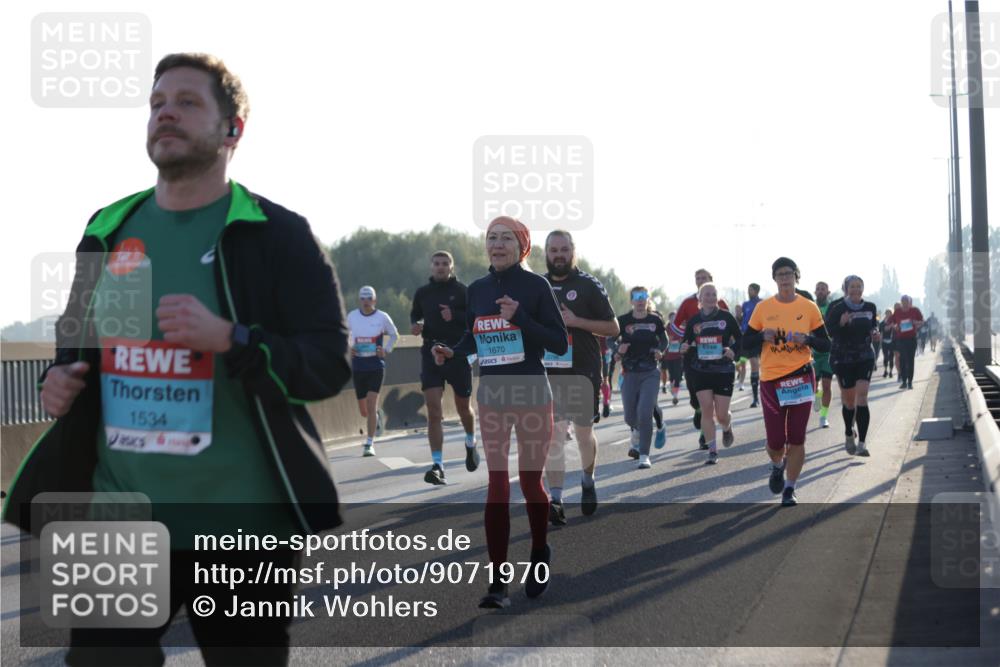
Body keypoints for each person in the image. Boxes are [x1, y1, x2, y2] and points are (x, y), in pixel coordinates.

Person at [1, 53, 352, 666]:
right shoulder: (108, 226)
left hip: (244, 528)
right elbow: (76, 332)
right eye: (157, 101)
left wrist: (233, 340)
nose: (166, 111)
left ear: (232, 129)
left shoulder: (275, 233)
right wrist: (57, 376)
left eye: (188, 102)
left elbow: (328, 363)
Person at [432, 216, 567, 609]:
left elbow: (559, 342)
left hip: (530, 390)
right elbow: (473, 336)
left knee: (529, 484)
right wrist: (452, 351)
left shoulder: (536, 286)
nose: (497, 244)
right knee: (496, 485)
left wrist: (521, 318)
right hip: (491, 392)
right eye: (491, 238)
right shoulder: (477, 289)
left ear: (522, 245)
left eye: (506, 238)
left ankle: (539, 552)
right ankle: (497, 582)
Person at [542, 231, 620, 525]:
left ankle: (588, 479)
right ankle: (557, 499)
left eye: (564, 249)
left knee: (584, 433)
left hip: (583, 369)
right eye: (553, 250)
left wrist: (576, 322)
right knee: (555, 436)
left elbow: (613, 328)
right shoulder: (538, 285)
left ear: (573, 251)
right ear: (546, 252)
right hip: (550, 371)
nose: (558, 255)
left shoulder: (588, 285)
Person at [744, 257, 831, 507]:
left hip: (801, 376)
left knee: (797, 438)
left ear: (796, 276)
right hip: (771, 380)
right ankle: (776, 464)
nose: (784, 278)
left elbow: (826, 343)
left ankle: (790, 488)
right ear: (774, 278)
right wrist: (761, 335)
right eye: (780, 274)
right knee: (775, 442)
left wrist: (809, 340)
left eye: (788, 273)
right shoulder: (763, 308)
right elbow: (744, 343)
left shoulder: (809, 307)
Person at [410, 251, 478, 485]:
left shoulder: (462, 291)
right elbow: (415, 317)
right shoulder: (422, 293)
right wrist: (416, 326)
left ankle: (470, 440)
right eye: (436, 264)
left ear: (451, 266)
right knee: (434, 411)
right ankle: (438, 465)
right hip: (431, 353)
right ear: (431, 267)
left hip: (457, 353)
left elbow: (474, 321)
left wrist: (455, 315)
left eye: (444, 263)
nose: (440, 267)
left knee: (463, 408)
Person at [679, 283, 742, 464]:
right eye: (706, 294)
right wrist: (684, 347)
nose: (710, 298)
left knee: (721, 415)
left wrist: (733, 351)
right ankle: (712, 450)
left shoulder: (726, 317)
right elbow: (686, 344)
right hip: (701, 370)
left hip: (723, 370)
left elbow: (740, 339)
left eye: (713, 294)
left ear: (718, 297)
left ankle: (727, 426)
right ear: (700, 298)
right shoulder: (694, 321)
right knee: (707, 409)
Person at [674, 269, 730, 448]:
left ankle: (704, 435)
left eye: (704, 278)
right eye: (697, 278)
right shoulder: (688, 302)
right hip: (693, 356)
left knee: (710, 402)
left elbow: (730, 328)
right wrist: (689, 340)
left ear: (711, 280)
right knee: (694, 394)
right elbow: (674, 327)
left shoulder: (719, 301)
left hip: (716, 357)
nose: (700, 280)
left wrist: (729, 348)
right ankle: (699, 411)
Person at [825, 276, 880, 457]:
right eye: (852, 286)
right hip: (843, 358)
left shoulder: (870, 307)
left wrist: (875, 332)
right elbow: (829, 331)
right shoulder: (837, 307)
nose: (856, 289)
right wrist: (841, 323)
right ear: (846, 288)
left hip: (865, 356)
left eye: (859, 286)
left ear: (863, 288)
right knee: (849, 401)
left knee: (862, 398)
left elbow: (873, 325)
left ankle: (862, 443)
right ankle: (849, 432)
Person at [615, 287, 669, 468]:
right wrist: (618, 349)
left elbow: (664, 340)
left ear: (647, 299)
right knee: (630, 417)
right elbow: (610, 338)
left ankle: (644, 454)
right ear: (631, 301)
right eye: (636, 297)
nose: (640, 300)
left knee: (645, 412)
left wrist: (660, 350)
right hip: (629, 371)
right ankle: (638, 432)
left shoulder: (655, 320)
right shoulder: (623, 321)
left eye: (643, 296)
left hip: (650, 371)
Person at [348, 286, 399, 456]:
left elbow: (394, 334)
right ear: (359, 300)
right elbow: (344, 335)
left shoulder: (382, 317)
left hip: (376, 365)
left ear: (374, 300)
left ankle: (369, 444)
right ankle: (376, 415)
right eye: (363, 298)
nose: (366, 301)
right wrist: (349, 348)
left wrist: (386, 350)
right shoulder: (352, 317)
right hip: (358, 365)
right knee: (365, 411)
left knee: (371, 404)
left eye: (369, 298)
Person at [811, 281, 835, 428]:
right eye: (818, 289)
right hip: (812, 352)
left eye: (823, 289)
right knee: (814, 386)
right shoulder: (810, 307)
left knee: (827, 385)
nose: (820, 291)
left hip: (828, 352)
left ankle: (823, 417)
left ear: (828, 292)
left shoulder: (832, 308)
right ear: (815, 292)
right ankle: (817, 396)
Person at [889, 295, 924, 390]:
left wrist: (916, 323)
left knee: (910, 360)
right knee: (903, 360)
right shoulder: (897, 312)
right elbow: (891, 322)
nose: (905, 303)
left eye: (906, 301)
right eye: (903, 301)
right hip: (901, 339)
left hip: (912, 339)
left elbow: (922, 321)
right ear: (901, 302)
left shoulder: (915, 310)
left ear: (910, 302)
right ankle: (904, 381)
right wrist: (895, 326)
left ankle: (910, 382)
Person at [740, 283, 763, 407]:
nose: (749, 292)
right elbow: (743, 319)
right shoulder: (745, 305)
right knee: (754, 364)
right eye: (748, 290)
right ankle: (755, 398)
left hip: (762, 336)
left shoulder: (762, 303)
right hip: (750, 338)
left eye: (751, 290)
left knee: (765, 365)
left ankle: (766, 392)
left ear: (757, 291)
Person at [663, 310, 684, 406]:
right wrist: (668, 342)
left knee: (678, 376)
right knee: (671, 375)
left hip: (678, 355)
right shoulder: (666, 329)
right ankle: (672, 385)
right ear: (669, 319)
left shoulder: (681, 329)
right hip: (668, 356)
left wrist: (680, 342)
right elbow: (662, 340)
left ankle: (675, 396)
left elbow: (685, 339)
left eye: (675, 318)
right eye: (672, 318)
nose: (674, 319)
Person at [732, 303, 747, 391]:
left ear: (742, 310)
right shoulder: (733, 319)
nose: (738, 311)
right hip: (736, 346)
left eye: (739, 309)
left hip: (744, 347)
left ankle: (741, 383)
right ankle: (740, 373)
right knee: (736, 366)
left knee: (743, 364)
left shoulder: (745, 319)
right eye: (736, 310)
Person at [880, 308, 895, 378]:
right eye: (887, 313)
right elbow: (882, 333)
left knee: (891, 357)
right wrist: (880, 342)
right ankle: (885, 370)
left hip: (892, 341)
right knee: (885, 357)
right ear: (885, 314)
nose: (888, 315)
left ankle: (891, 371)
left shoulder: (894, 322)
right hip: (884, 341)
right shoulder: (882, 323)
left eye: (890, 313)